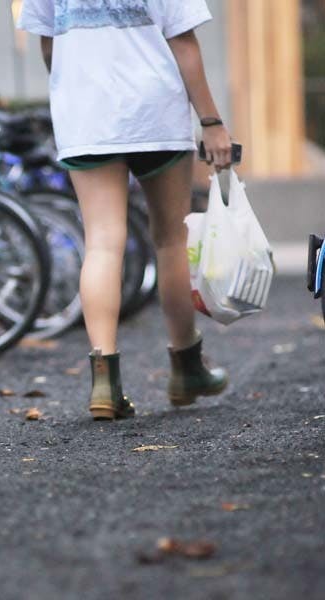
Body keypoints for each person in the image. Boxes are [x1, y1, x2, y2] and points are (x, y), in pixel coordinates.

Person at [17, 0, 230, 420]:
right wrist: (211, 122)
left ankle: (104, 381)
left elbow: (47, 46)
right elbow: (183, 42)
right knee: (171, 241)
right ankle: (187, 367)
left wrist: (78, 90)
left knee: (101, 243)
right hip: (155, 113)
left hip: (86, 117)